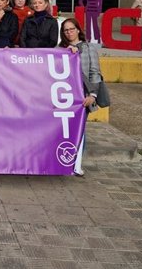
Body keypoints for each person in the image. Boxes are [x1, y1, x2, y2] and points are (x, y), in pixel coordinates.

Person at [59, 17, 100, 176]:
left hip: (83, 95)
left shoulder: (89, 48)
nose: (69, 32)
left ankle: (77, 164)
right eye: (66, 30)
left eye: (71, 29)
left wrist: (93, 95)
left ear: (78, 30)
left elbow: (95, 73)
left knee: (80, 130)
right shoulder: (60, 48)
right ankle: (65, 160)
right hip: (65, 95)